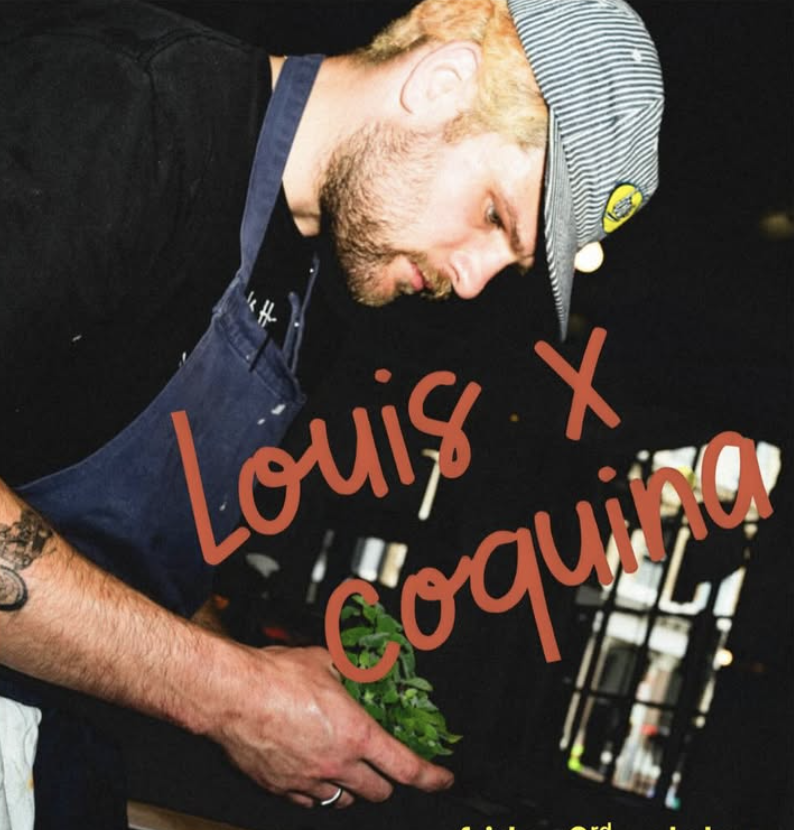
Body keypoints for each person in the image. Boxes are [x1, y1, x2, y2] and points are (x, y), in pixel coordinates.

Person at [0, 0, 663, 824]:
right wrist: (233, 693)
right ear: (439, 82)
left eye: (510, 263)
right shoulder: (132, 106)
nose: (473, 281)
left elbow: (112, 554)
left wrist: (261, 670)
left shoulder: (316, 300)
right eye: (495, 214)